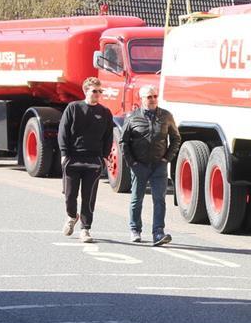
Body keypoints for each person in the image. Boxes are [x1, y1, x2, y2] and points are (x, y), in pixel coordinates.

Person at [119, 85, 180, 246]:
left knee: (159, 200)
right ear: (142, 99)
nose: (152, 99)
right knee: (136, 199)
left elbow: (176, 139)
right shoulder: (132, 117)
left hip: (159, 165)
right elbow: (123, 142)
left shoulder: (166, 116)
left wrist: (166, 159)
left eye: (154, 96)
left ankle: (158, 232)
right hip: (139, 165)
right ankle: (135, 230)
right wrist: (132, 163)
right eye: (149, 97)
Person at [58, 77, 113, 242]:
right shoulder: (73, 108)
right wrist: (64, 154)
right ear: (86, 91)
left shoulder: (105, 112)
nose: (97, 94)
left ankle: (85, 229)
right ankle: (71, 216)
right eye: (94, 91)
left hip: (94, 160)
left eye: (100, 91)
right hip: (73, 158)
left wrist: (104, 157)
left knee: (89, 197)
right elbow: (63, 131)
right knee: (69, 195)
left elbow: (108, 137)